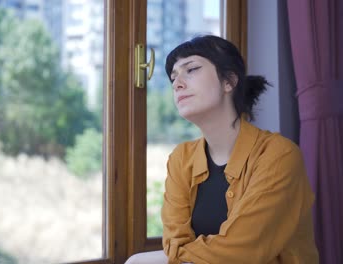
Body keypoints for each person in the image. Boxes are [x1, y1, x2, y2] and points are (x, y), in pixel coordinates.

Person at [125, 35, 318, 264]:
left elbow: (241, 252)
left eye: (192, 69)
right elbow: (174, 242)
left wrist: (178, 255)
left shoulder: (278, 156)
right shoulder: (181, 158)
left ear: (229, 81)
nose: (177, 83)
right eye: (173, 77)